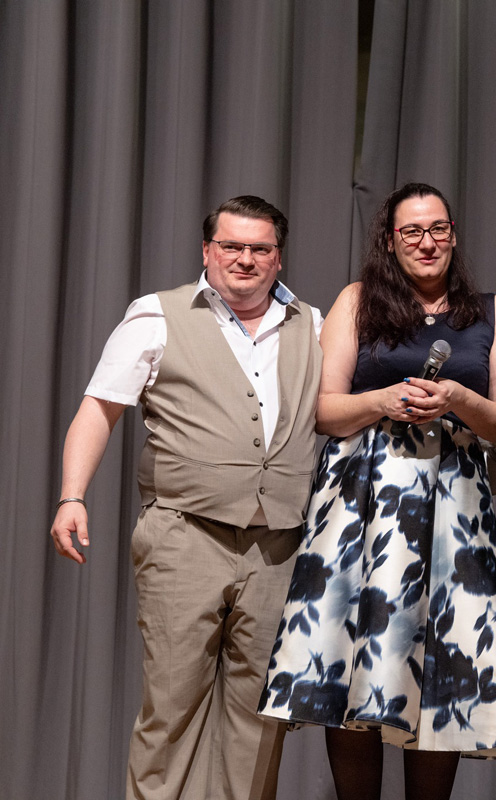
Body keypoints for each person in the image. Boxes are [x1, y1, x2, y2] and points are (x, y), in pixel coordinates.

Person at [257, 183, 496, 800]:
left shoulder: (494, 312)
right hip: (359, 505)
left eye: (437, 229)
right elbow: (321, 410)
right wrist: (382, 400)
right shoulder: (358, 301)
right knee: (351, 662)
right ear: (390, 240)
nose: (426, 242)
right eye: (412, 231)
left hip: (453, 510)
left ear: (453, 234)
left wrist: (458, 399)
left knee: (442, 659)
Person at [49, 196, 322, 799]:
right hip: (184, 535)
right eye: (232, 246)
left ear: (278, 257)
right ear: (207, 250)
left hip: (279, 545)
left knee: (261, 719)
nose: (245, 259)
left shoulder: (313, 323)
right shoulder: (157, 315)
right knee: (171, 709)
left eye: (260, 248)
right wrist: (72, 496)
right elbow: (99, 409)